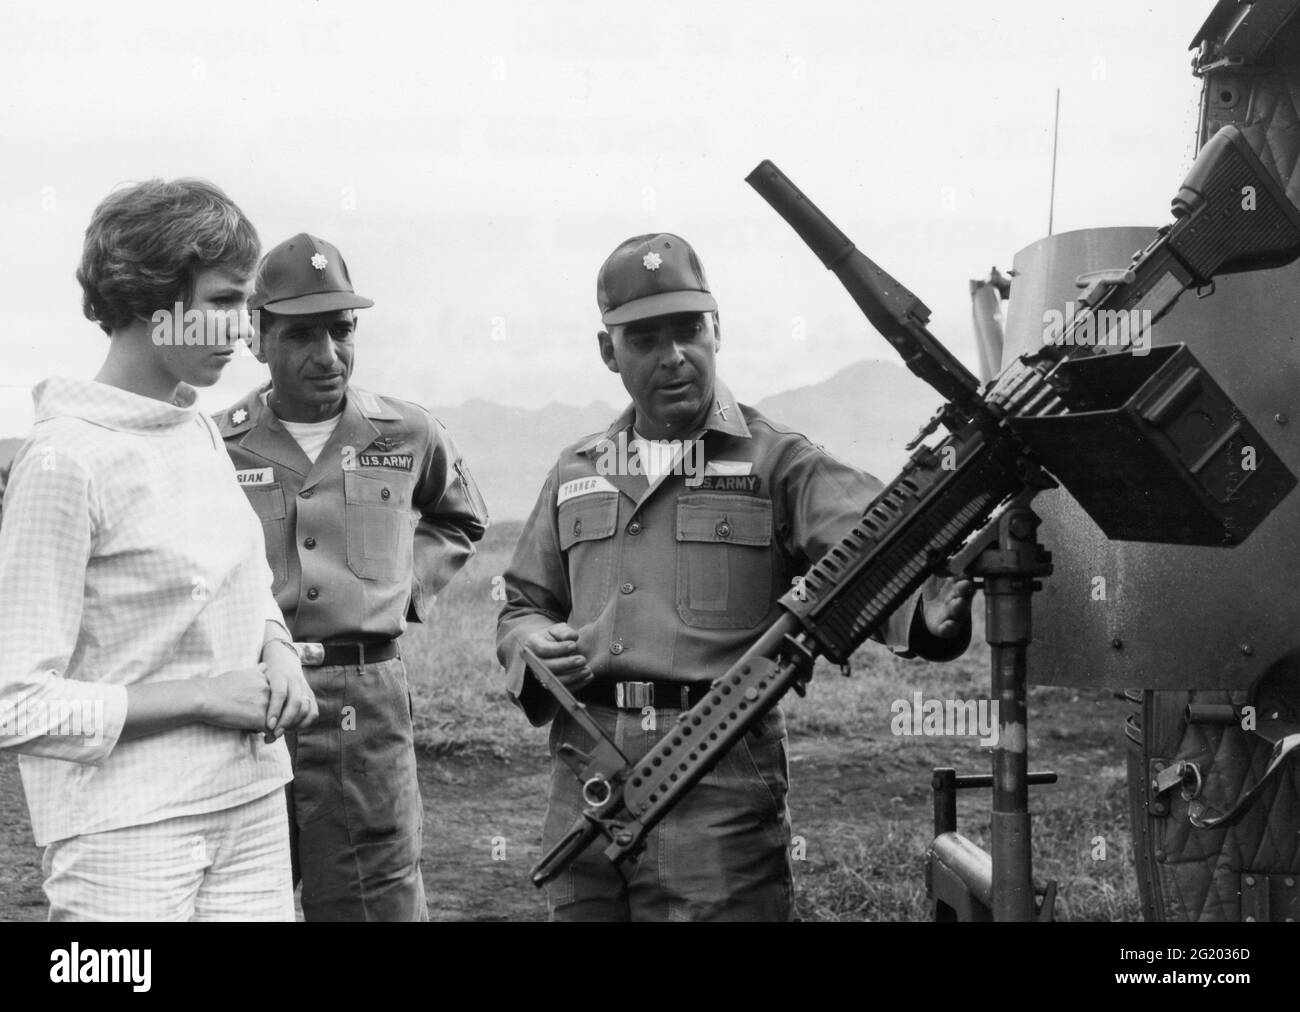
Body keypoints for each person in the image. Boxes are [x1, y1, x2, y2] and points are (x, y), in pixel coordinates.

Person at [496, 232, 974, 921]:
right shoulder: (578, 470)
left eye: (689, 329)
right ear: (609, 352)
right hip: (585, 771)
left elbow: (880, 549)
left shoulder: (779, 462)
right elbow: (522, 604)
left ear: (717, 329)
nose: (674, 355)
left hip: (717, 775)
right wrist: (531, 645)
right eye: (644, 338)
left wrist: (928, 615)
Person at [0, 178, 318, 922]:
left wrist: (275, 652)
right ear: (150, 298)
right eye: (222, 301)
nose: (243, 332)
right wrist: (205, 697)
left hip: (252, 806)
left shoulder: (199, 432)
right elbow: (14, 704)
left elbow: (242, 590)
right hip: (125, 836)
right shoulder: (64, 461)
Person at [217, 233, 489, 921]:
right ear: (258, 337)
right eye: (302, 336)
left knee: (375, 894)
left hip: (364, 703)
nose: (327, 355)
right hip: (252, 700)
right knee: (245, 895)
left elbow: (459, 519)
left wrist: (407, 593)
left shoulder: (408, 433)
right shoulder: (215, 444)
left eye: (341, 332)